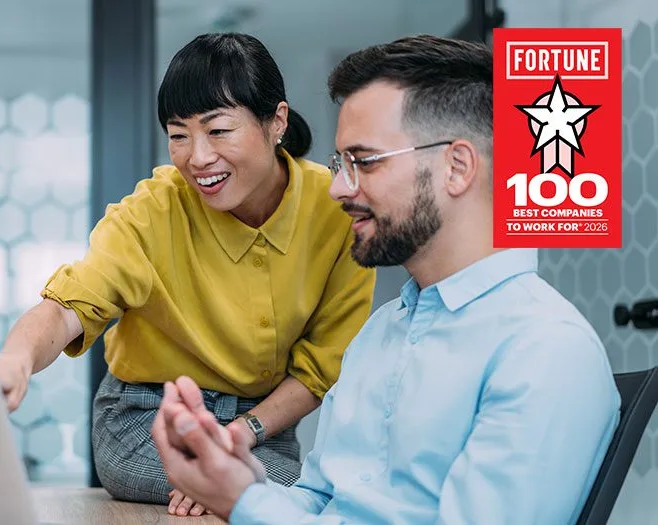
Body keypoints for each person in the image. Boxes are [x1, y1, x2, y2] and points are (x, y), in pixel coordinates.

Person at [152, 34, 621, 524]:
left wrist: (243, 502)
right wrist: (232, 476)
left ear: (457, 167)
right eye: (341, 164)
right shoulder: (381, 333)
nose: (338, 188)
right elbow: (319, 501)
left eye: (365, 162)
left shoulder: (545, 350)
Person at [0, 32, 376, 516]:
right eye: (179, 135)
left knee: (302, 490)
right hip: (145, 421)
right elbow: (71, 305)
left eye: (218, 131)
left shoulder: (337, 210)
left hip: (263, 427)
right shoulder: (153, 210)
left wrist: (236, 441)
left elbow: (322, 368)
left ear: (276, 121)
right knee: (284, 494)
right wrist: (16, 357)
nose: (197, 158)